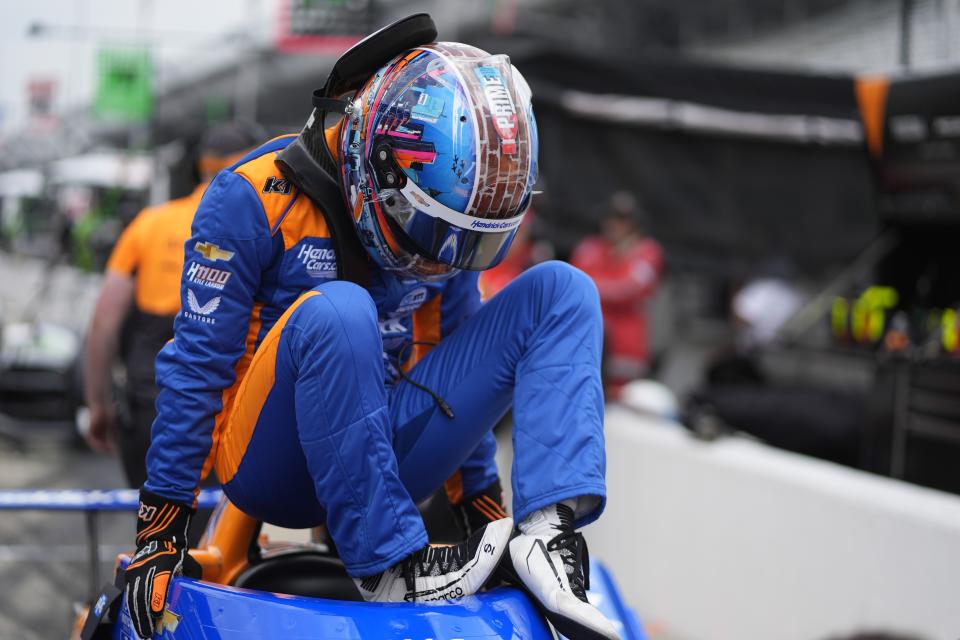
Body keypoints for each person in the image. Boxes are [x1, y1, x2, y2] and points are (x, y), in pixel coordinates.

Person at [124, 19, 617, 640]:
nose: (442, 260)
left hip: (385, 452)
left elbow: (456, 365)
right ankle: (388, 564)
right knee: (340, 310)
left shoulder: (445, 240)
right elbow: (196, 367)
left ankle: (545, 537)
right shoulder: (250, 196)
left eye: (467, 241)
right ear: (374, 163)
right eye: (435, 231)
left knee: (564, 291)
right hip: (268, 466)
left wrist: (482, 513)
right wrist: (159, 531)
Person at [83, 122, 262, 486]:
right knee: (222, 537)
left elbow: (103, 324)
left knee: (157, 528)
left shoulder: (150, 224)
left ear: (201, 166)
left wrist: (98, 405)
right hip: (232, 410)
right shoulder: (263, 226)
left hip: (152, 405)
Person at [572, 191, 663, 396]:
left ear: (635, 224)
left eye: (624, 220)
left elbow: (630, 289)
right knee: (583, 393)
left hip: (626, 344)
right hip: (589, 335)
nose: (615, 225)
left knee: (622, 402)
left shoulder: (647, 250)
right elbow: (576, 285)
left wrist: (596, 284)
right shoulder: (590, 247)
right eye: (611, 218)